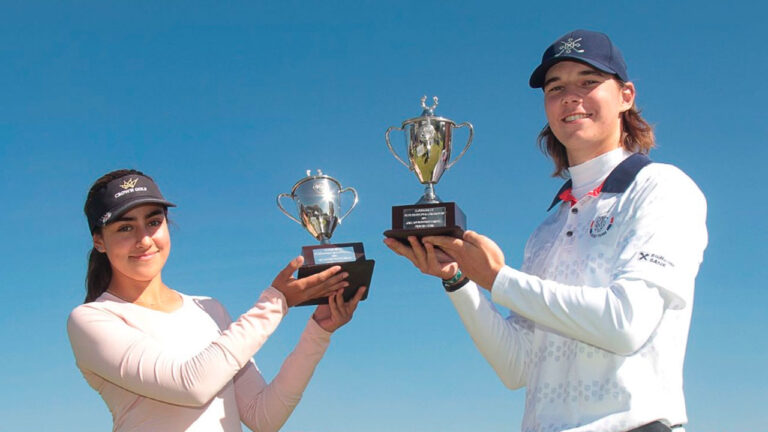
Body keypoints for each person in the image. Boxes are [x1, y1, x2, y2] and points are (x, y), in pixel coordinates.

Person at [385, 29, 707, 432]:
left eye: (589, 82)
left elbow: (627, 323)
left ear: (626, 95)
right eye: (555, 88)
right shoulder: (548, 227)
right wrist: (459, 279)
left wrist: (499, 278)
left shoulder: (660, 187)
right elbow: (517, 366)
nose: (571, 97)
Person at [67, 169, 366, 432]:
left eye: (154, 222)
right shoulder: (92, 320)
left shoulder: (208, 309)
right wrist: (276, 303)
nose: (144, 239)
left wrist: (319, 331)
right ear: (99, 241)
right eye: (125, 227)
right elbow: (190, 385)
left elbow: (264, 417)